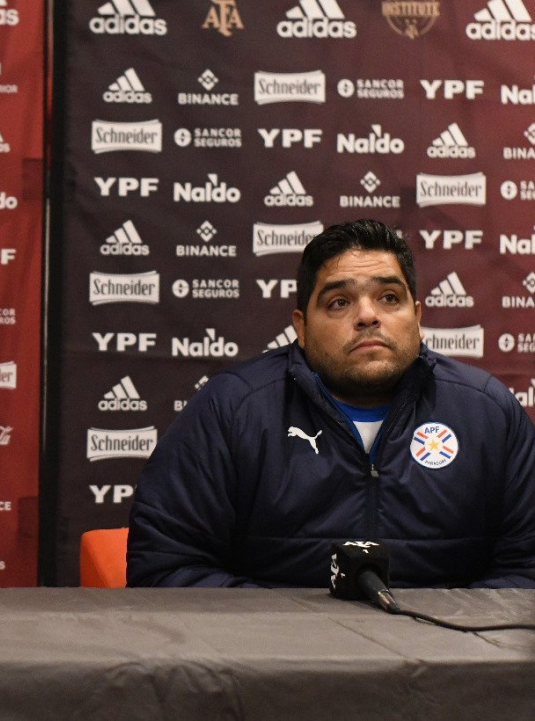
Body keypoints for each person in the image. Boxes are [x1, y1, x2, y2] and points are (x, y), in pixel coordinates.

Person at [127, 219, 535, 588]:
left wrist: (438, 635)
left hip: (444, 646)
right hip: (276, 647)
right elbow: (166, 566)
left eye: (389, 297)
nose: (367, 315)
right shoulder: (233, 409)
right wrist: (297, 633)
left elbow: (527, 570)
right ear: (301, 327)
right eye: (339, 302)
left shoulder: (487, 412)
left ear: (416, 316)